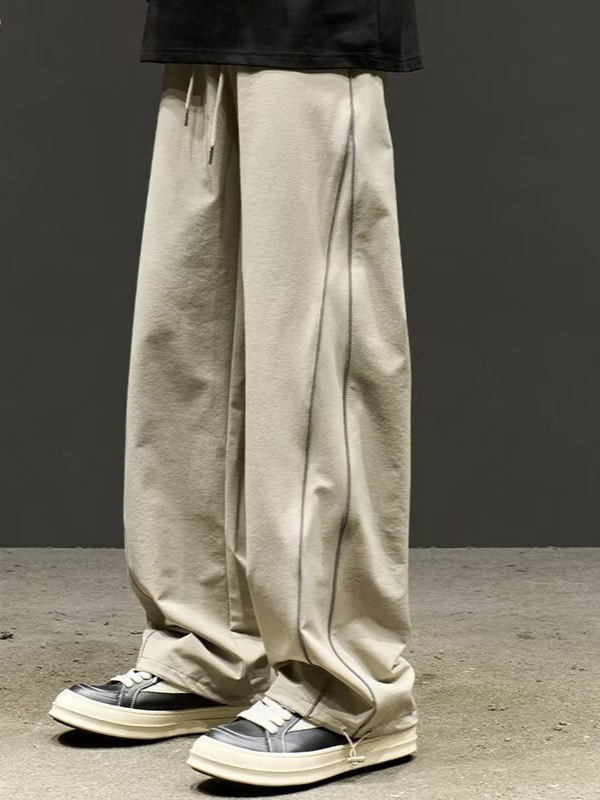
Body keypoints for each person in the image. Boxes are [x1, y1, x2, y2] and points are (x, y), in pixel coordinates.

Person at [49, 0, 424, 788]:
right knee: (187, 341)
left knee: (316, 349)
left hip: (313, 26)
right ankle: (207, 648)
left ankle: (349, 687)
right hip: (202, 27)